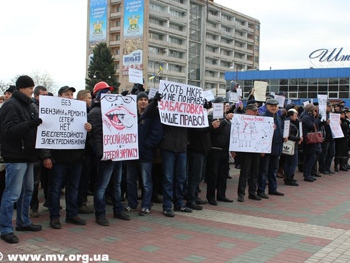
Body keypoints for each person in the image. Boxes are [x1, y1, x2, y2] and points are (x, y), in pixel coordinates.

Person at [0, 75, 43, 244]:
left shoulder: (30, 105)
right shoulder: (10, 105)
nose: (33, 91)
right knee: (12, 194)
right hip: (16, 156)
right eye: (30, 87)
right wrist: (32, 124)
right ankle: (5, 229)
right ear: (22, 88)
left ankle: (23, 221)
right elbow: (9, 131)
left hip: (29, 156)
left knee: (27, 192)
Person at [43, 86, 92, 229]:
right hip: (58, 160)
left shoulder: (81, 113)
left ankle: (72, 214)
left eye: (72, 95)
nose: (70, 97)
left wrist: (88, 129)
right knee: (55, 189)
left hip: (76, 159)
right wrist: (46, 156)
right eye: (66, 94)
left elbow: (85, 138)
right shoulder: (51, 113)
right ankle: (54, 217)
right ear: (60, 97)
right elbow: (44, 135)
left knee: (73, 188)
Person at [88, 82, 130, 226]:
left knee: (117, 184)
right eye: (105, 92)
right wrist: (102, 154)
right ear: (97, 95)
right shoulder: (94, 113)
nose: (109, 94)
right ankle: (100, 214)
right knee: (102, 186)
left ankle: (118, 209)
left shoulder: (115, 109)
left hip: (118, 153)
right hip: (106, 155)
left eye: (110, 92)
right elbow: (96, 135)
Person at [125, 92, 163, 216]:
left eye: (145, 99)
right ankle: (132, 203)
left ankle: (146, 205)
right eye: (140, 99)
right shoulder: (131, 115)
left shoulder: (153, 115)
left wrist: (146, 145)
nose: (143, 102)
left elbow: (157, 134)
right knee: (130, 180)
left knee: (146, 181)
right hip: (131, 154)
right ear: (136, 102)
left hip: (146, 154)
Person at [206, 96, 234, 205]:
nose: (224, 106)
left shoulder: (225, 117)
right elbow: (215, 131)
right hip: (214, 150)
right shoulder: (211, 116)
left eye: (225, 104)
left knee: (223, 174)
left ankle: (221, 195)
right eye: (222, 104)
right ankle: (211, 196)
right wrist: (225, 120)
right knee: (213, 174)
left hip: (224, 150)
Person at [257, 98, 285, 198]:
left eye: (275, 106)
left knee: (273, 170)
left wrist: (284, 137)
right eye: (271, 106)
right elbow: (260, 134)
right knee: (263, 171)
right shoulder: (263, 117)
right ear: (267, 107)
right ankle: (261, 190)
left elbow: (280, 130)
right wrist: (262, 149)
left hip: (276, 148)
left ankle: (273, 189)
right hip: (266, 148)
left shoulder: (278, 117)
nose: (274, 108)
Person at [236, 104, 262, 202]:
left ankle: (252, 192)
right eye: (254, 111)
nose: (256, 113)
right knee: (244, 172)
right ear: (248, 111)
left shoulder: (259, 120)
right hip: (246, 150)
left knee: (255, 172)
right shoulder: (240, 118)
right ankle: (241, 193)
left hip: (256, 149)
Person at [30, 85, 48, 218]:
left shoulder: (47, 109)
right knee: (35, 182)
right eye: (43, 95)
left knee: (46, 180)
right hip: (36, 152)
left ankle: (47, 202)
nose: (46, 98)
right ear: (36, 96)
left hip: (46, 152)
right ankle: (34, 207)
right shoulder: (33, 109)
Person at [301, 103, 322, 182]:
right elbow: (312, 126)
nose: (315, 111)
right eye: (314, 109)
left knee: (309, 157)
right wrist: (318, 119)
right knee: (311, 157)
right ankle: (307, 174)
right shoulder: (306, 117)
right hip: (308, 140)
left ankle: (308, 173)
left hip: (310, 139)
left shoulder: (308, 116)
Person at [283, 109, 303, 186]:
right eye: (295, 115)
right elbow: (289, 136)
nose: (296, 117)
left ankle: (288, 177)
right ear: (291, 115)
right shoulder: (290, 124)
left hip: (290, 145)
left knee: (288, 162)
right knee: (293, 162)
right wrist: (298, 139)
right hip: (292, 145)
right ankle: (289, 178)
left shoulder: (290, 122)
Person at [318, 101, 335, 175]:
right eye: (328, 106)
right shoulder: (322, 115)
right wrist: (325, 122)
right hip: (325, 136)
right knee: (324, 153)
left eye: (330, 106)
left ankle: (327, 167)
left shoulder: (330, 114)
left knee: (331, 153)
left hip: (332, 136)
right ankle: (322, 168)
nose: (330, 108)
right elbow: (319, 124)